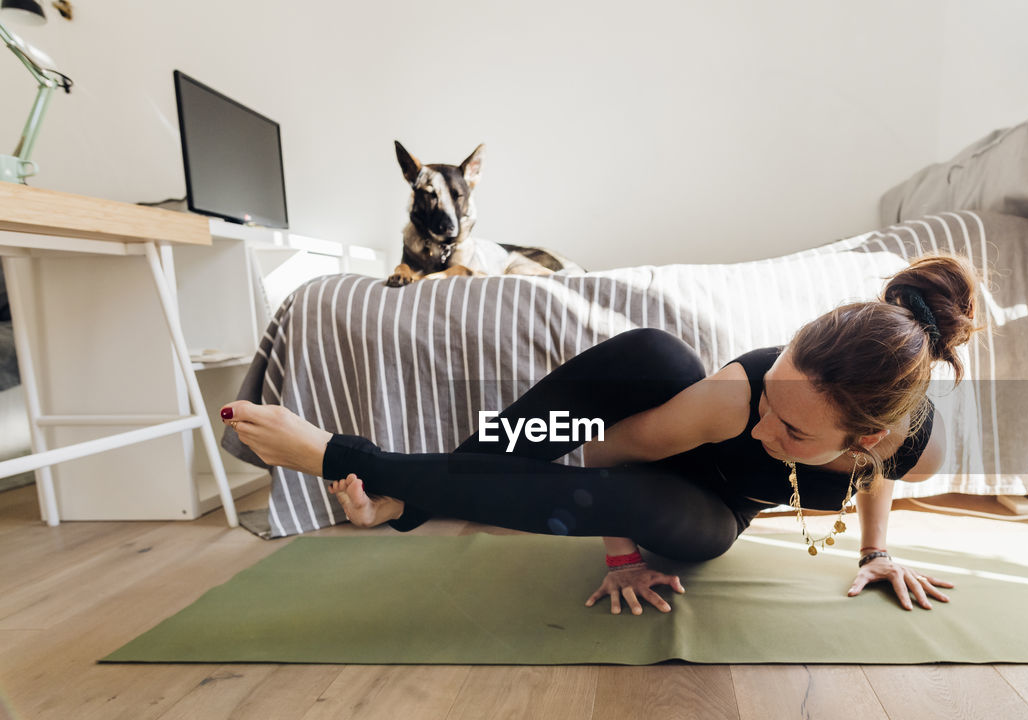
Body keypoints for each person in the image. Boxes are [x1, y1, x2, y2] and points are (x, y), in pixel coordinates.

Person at [219, 252, 981, 617]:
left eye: (790, 429)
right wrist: (618, 556)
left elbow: (875, 472)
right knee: (655, 354)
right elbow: (606, 453)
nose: (761, 425)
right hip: (638, 462)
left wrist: (877, 552)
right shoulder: (738, 396)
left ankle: (393, 486)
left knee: (670, 511)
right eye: (772, 393)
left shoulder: (913, 446)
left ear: (872, 433)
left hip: (700, 518)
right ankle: (383, 480)